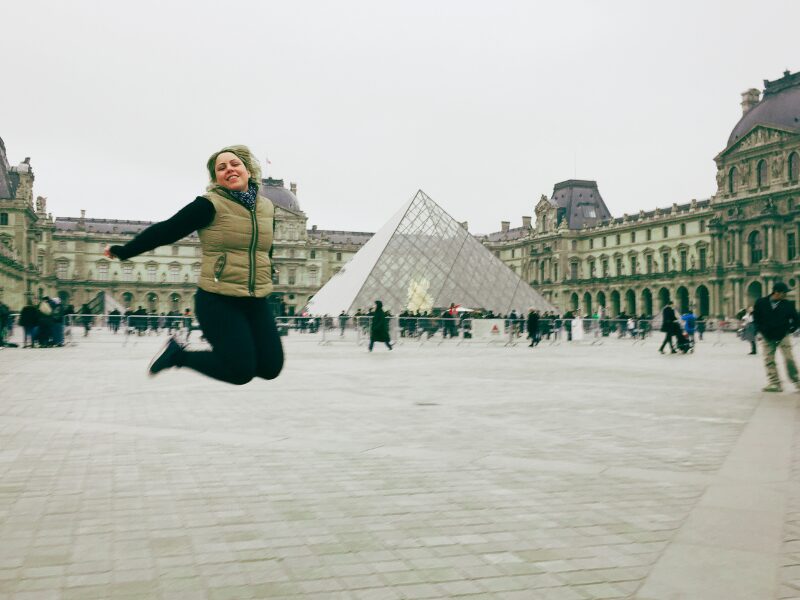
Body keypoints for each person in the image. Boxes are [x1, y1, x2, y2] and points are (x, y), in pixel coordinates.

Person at [105, 145, 284, 384]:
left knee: (271, 367)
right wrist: (124, 251)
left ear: (248, 171)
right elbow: (167, 230)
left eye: (234, 164)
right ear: (216, 178)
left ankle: (230, 356)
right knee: (241, 372)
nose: (229, 169)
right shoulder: (209, 205)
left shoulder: (267, 208)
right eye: (221, 168)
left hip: (255, 298)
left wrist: (268, 267)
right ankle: (179, 356)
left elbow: (264, 246)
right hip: (219, 299)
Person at [752, 282, 799, 392]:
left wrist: (791, 329)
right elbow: (756, 318)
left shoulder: (787, 304)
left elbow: (797, 318)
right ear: (776, 292)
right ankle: (774, 383)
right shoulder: (761, 302)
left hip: (783, 334)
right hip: (767, 335)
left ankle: (796, 380)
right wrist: (760, 331)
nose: (786, 295)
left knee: (789, 358)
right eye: (784, 293)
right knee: (769, 359)